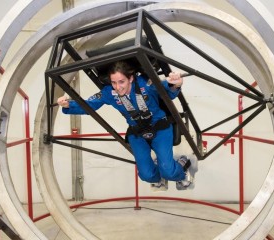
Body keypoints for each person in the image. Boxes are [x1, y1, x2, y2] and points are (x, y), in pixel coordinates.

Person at [57, 61, 191, 188]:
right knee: (147, 175)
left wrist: (176, 84)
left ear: (131, 78)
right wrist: (69, 104)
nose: (118, 87)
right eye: (114, 82)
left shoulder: (146, 84)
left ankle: (182, 167)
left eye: (122, 82)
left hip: (160, 128)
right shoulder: (109, 92)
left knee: (169, 172)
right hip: (137, 133)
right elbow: (89, 105)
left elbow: (167, 91)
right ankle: (159, 176)